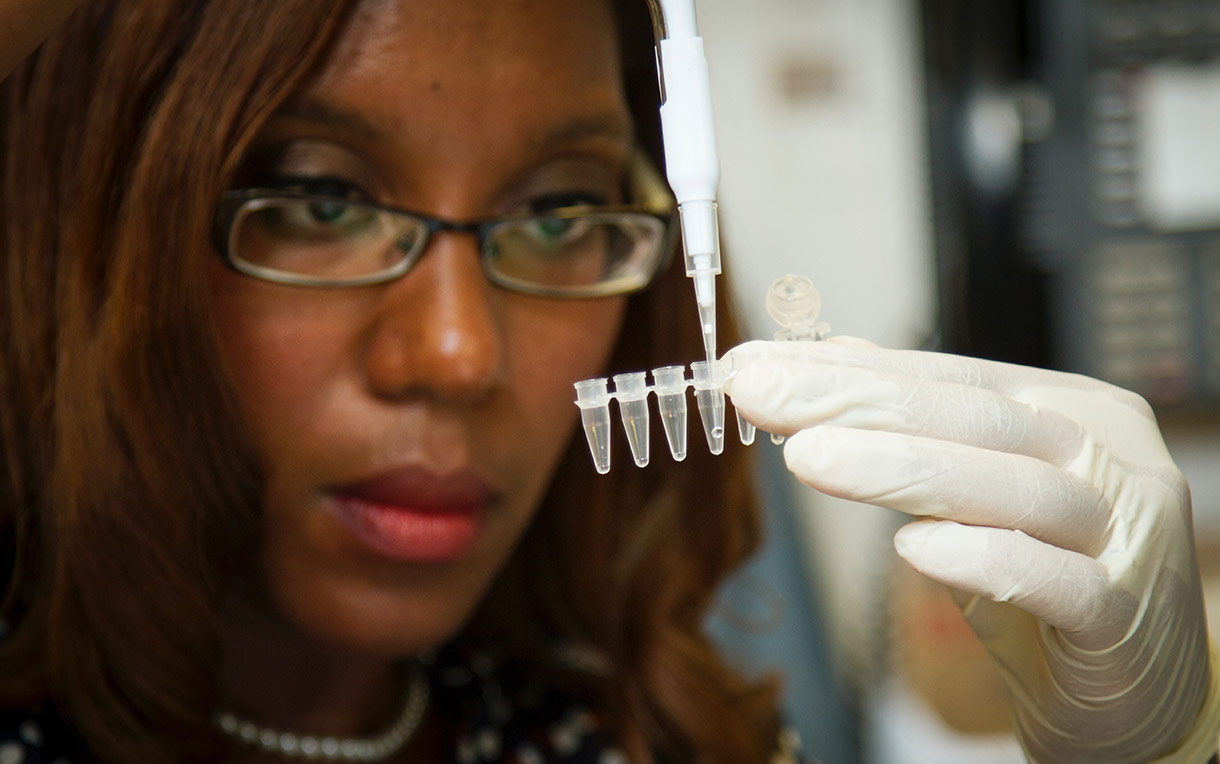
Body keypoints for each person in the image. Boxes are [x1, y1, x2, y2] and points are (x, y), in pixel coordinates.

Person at [0, 1, 1216, 763]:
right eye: (322, 200)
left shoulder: (633, 734)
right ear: (87, 225)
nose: (459, 355)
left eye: (555, 211)